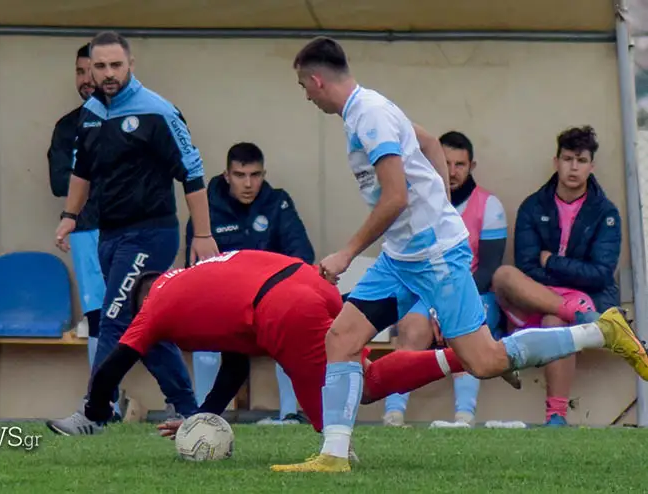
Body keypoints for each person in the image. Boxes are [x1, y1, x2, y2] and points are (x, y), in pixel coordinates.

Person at [271, 36, 648, 473]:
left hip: (433, 257)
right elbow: (431, 144)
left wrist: (347, 253)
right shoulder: (368, 107)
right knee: (340, 338)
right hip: (401, 257)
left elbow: (393, 198)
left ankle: (602, 332)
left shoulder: (369, 115)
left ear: (317, 80)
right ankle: (334, 456)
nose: (305, 95)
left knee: (484, 360)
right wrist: (440, 197)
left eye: (303, 86)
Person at [47, 250, 514, 438]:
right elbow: (235, 363)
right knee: (361, 372)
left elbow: (113, 365)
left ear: (143, 300)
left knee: (356, 395)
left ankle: (467, 357)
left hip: (285, 309)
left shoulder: (153, 306)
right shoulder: (200, 274)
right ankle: (467, 356)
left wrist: (91, 415)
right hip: (309, 283)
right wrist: (200, 418)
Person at [49, 31, 218, 434]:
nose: (108, 74)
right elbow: (81, 170)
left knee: (112, 319)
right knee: (145, 322)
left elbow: (192, 173)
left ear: (131, 65)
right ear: (89, 68)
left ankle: (94, 412)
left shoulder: (157, 111)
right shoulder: (90, 113)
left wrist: (203, 235)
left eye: (116, 65)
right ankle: (190, 411)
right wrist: (70, 215)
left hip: (151, 234)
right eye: (100, 66)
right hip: (110, 235)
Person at [492, 125, 620, 427]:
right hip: (538, 298)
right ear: (556, 162)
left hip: (582, 300)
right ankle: (572, 313)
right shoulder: (533, 206)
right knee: (504, 275)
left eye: (581, 160)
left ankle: (556, 417)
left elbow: (601, 274)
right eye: (567, 159)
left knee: (556, 324)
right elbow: (527, 267)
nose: (573, 167)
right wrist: (559, 277)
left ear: (592, 166)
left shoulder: (605, 213)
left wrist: (553, 261)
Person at [382, 131, 508, 428]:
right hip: (426, 295)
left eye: (459, 164)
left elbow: (488, 270)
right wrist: (435, 305)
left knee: (463, 328)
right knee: (411, 327)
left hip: (473, 293)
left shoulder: (489, 206)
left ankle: (464, 416)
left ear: (471, 166)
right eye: (445, 162)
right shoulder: (414, 204)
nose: (451, 172)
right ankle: (393, 414)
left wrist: (447, 306)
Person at [186, 142, 315, 425]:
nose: (248, 184)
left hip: (269, 302)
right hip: (223, 305)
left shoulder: (277, 203)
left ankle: (291, 415)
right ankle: (201, 418)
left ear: (263, 174)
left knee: (294, 325)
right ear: (227, 175)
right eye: (240, 175)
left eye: (255, 175)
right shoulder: (206, 207)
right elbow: (193, 268)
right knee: (202, 335)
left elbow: (302, 257)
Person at [47, 43, 106, 370]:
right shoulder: (67, 127)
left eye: (91, 71)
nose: (86, 79)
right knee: (96, 315)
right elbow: (59, 182)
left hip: (128, 229)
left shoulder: (132, 118)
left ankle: (173, 397)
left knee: (136, 312)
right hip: (84, 230)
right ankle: (103, 399)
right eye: (79, 71)